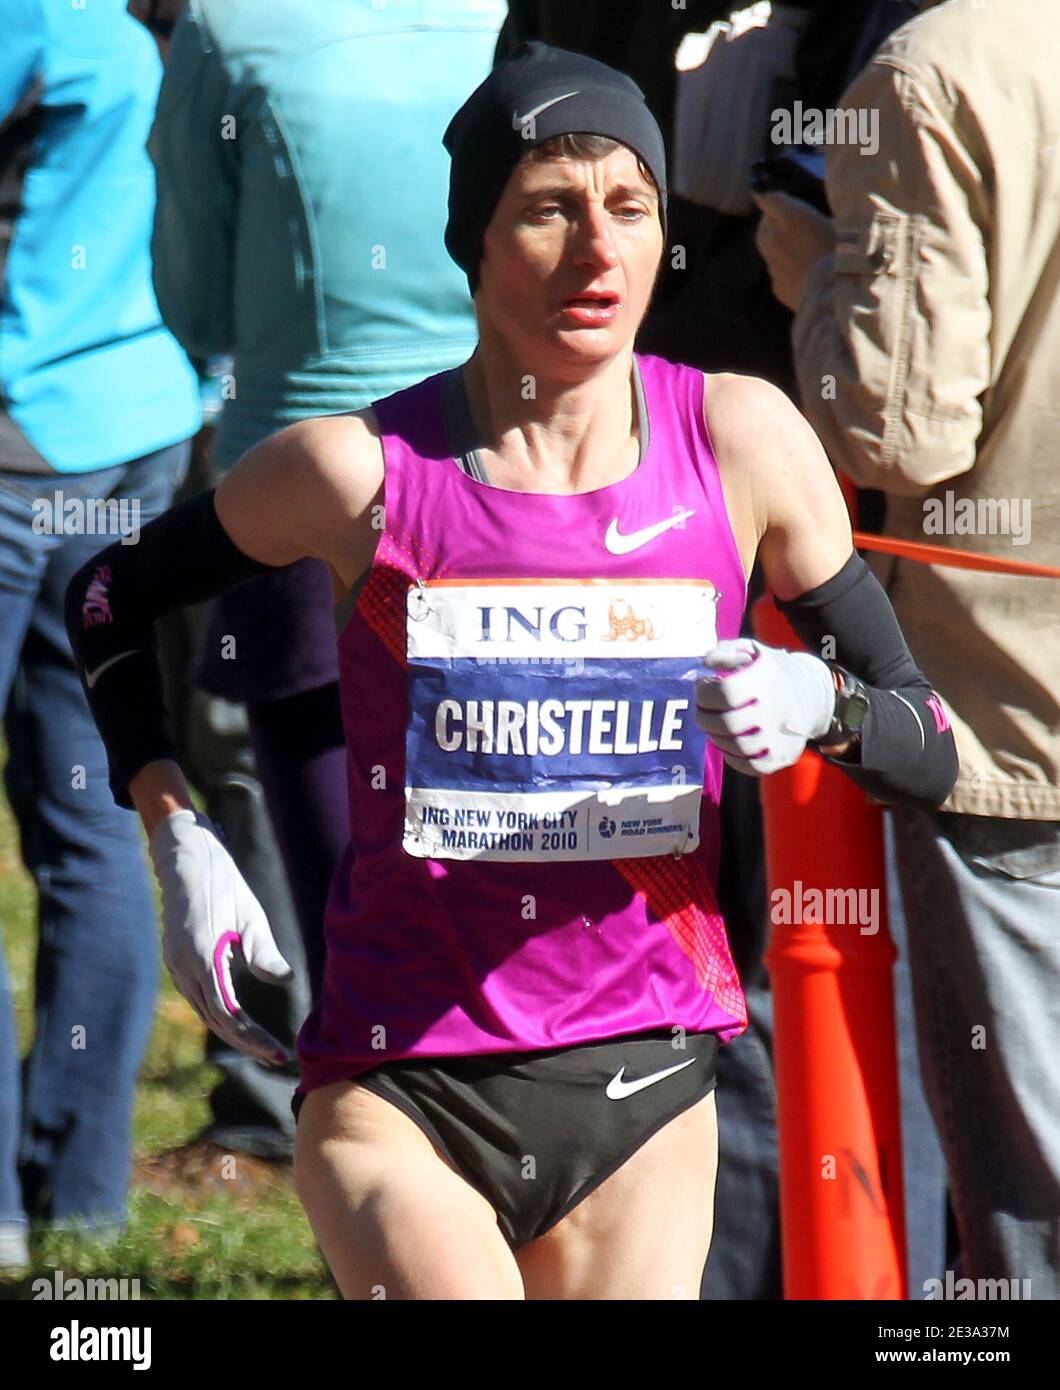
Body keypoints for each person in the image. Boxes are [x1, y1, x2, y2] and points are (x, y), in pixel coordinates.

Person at [65, 42, 958, 1299]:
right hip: (398, 1085)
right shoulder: (359, 473)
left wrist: (828, 703)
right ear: (473, 241)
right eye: (548, 206)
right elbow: (104, 595)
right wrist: (176, 832)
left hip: (642, 1089)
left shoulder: (743, 439)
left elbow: (931, 739)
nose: (598, 250)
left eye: (630, 206)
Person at [754, 0, 1060, 1297]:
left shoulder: (929, 71)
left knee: (1026, 1193)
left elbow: (896, 430)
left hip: (1007, 702)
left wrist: (810, 267)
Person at [0, 0, 200, 1268]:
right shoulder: (180, 32)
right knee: (91, 812)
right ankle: (72, 1201)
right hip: (140, 426)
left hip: (20, 430)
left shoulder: (40, 18)